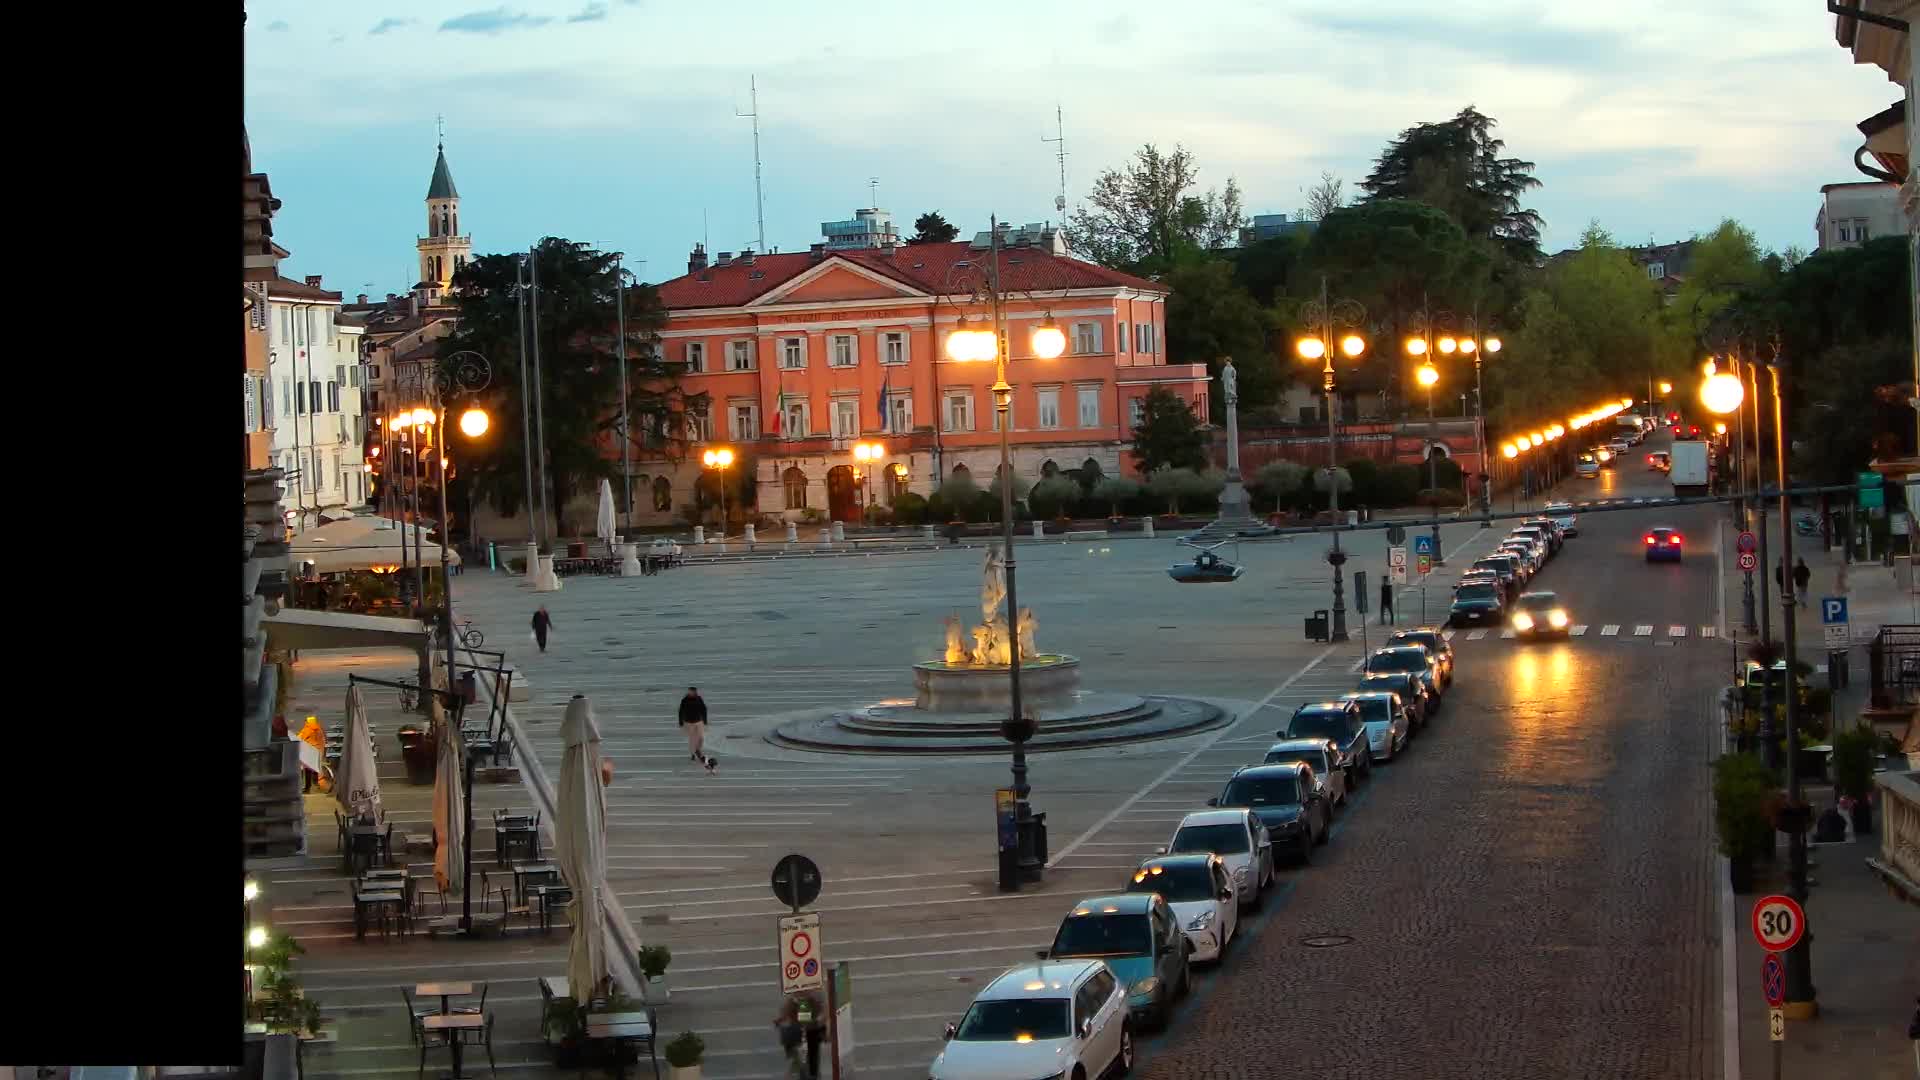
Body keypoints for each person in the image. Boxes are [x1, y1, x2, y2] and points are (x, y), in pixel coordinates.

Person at [678, 686, 709, 764]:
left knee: (701, 738)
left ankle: (697, 749)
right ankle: (693, 754)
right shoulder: (685, 700)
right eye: (689, 691)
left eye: (692, 691)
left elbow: (704, 709)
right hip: (688, 723)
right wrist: (681, 722)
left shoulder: (699, 699)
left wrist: (705, 721)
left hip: (698, 721)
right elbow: (681, 711)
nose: (690, 693)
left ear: (695, 692)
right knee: (692, 739)